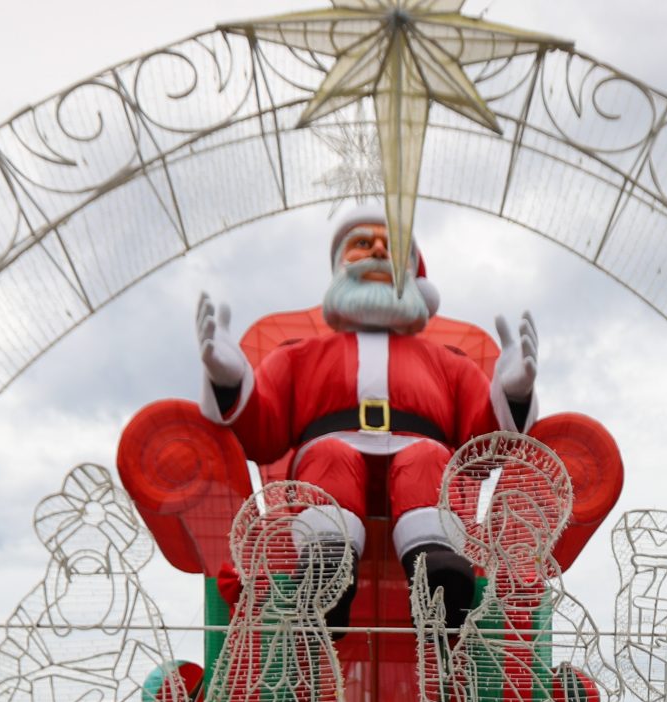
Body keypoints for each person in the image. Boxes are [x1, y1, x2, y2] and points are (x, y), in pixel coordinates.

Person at [195, 208, 541, 633]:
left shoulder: (450, 364)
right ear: (341, 265)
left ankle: (438, 578)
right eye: (362, 243)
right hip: (328, 458)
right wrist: (230, 384)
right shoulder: (296, 355)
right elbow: (263, 437)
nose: (378, 250)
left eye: (392, 248)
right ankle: (326, 574)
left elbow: (480, 448)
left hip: (422, 460)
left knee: (429, 460)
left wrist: (513, 394)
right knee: (329, 458)